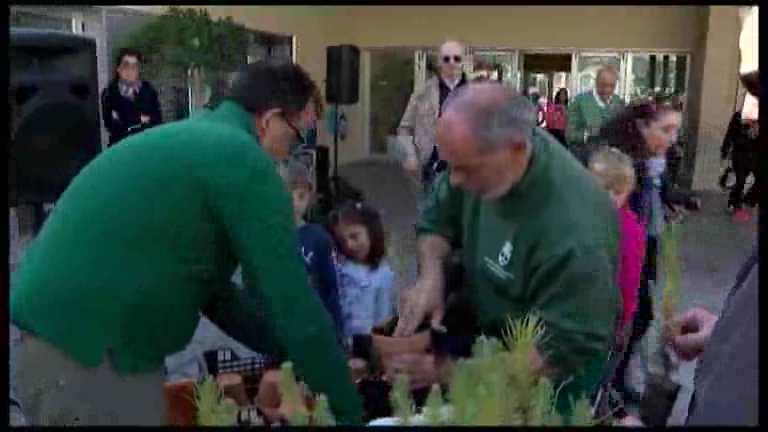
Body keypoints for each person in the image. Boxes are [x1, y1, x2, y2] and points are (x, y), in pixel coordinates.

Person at [10, 61, 363, 426]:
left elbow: (214, 293)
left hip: (64, 352)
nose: (292, 151)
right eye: (296, 135)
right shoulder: (241, 157)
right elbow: (289, 300)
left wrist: (288, 349)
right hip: (90, 361)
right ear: (269, 119)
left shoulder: (197, 140)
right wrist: (350, 410)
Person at [392, 82, 621, 416]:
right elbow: (438, 218)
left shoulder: (576, 235)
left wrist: (447, 373)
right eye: (449, 166)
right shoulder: (482, 157)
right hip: (491, 342)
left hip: (548, 388)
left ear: (516, 150)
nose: (453, 180)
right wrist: (431, 277)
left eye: (464, 169)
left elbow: (550, 357)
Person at [597, 102, 682, 401]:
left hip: (648, 240)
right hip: (626, 245)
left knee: (640, 315)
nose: (672, 138)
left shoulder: (655, 159)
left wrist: (675, 200)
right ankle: (609, 385)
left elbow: (663, 190)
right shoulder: (622, 162)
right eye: (666, 130)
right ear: (642, 127)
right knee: (633, 316)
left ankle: (615, 381)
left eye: (676, 131)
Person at [588, 147, 646, 352]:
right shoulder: (577, 217)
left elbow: (630, 280)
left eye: (618, 192)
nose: (611, 197)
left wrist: (623, 323)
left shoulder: (629, 232)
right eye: (605, 188)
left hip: (606, 320)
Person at [398, 40, 469, 193]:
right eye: (446, 58)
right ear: (439, 62)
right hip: (431, 170)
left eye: (456, 58)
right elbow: (404, 129)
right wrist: (410, 155)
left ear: (463, 61)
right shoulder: (422, 93)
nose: (451, 63)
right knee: (432, 214)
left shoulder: (478, 94)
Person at [286, 160, 345, 340]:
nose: (295, 202)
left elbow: (331, 288)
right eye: (287, 195)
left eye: (301, 196)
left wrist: (337, 332)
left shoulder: (318, 238)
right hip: (280, 327)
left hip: (314, 327)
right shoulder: (267, 238)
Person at [328, 202, 395, 345]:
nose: (349, 245)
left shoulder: (384, 275)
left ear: (371, 232)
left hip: (368, 346)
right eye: (342, 241)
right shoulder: (339, 269)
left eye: (354, 236)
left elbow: (382, 319)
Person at [100, 48, 162, 146]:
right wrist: (139, 119)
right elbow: (111, 125)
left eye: (134, 66)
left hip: (146, 144)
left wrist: (127, 119)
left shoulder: (149, 91)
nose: (130, 70)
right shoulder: (109, 93)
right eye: (126, 66)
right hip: (120, 146)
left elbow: (156, 121)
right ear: (118, 69)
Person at [566, 66, 625, 163]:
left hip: (611, 163)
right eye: (603, 85)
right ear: (596, 83)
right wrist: (587, 134)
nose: (607, 90)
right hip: (585, 161)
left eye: (612, 86)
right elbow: (569, 135)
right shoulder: (579, 102)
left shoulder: (619, 103)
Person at [720, 94, 758, 222]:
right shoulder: (738, 117)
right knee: (741, 181)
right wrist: (725, 150)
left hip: (753, 156)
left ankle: (748, 199)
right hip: (739, 155)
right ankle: (735, 202)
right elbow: (730, 133)